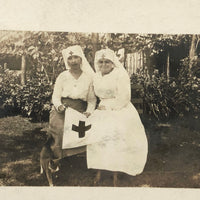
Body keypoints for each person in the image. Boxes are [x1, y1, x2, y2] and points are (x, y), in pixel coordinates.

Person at [86, 48, 148, 179]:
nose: (103, 65)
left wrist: (109, 109)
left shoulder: (120, 74)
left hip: (120, 109)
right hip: (101, 109)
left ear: (113, 62)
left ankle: (115, 171)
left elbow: (124, 98)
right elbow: (92, 99)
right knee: (96, 132)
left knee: (115, 131)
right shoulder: (95, 76)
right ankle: (99, 168)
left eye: (107, 62)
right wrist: (90, 111)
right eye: (101, 62)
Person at [48, 45, 96, 159]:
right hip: (62, 109)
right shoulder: (63, 76)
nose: (73, 61)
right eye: (70, 58)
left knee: (81, 130)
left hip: (80, 110)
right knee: (59, 129)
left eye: (76, 57)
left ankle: (73, 157)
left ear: (81, 59)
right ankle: (57, 159)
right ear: (66, 60)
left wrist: (89, 112)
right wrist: (59, 106)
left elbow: (91, 100)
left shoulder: (88, 77)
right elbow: (56, 97)